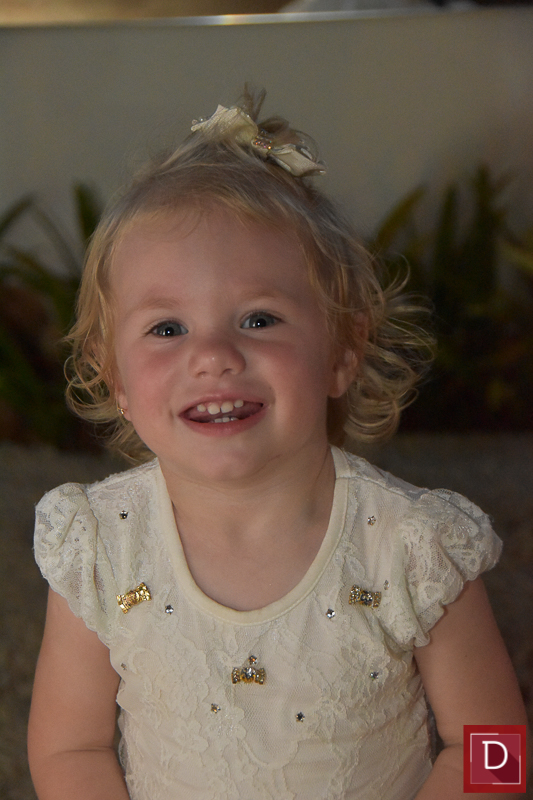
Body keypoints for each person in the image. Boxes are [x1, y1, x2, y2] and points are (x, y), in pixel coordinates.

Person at [28, 92, 527, 800]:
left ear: (342, 351)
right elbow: (70, 748)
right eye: (167, 329)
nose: (212, 355)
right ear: (115, 380)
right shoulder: (103, 547)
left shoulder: (413, 549)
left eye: (258, 319)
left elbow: (495, 748)